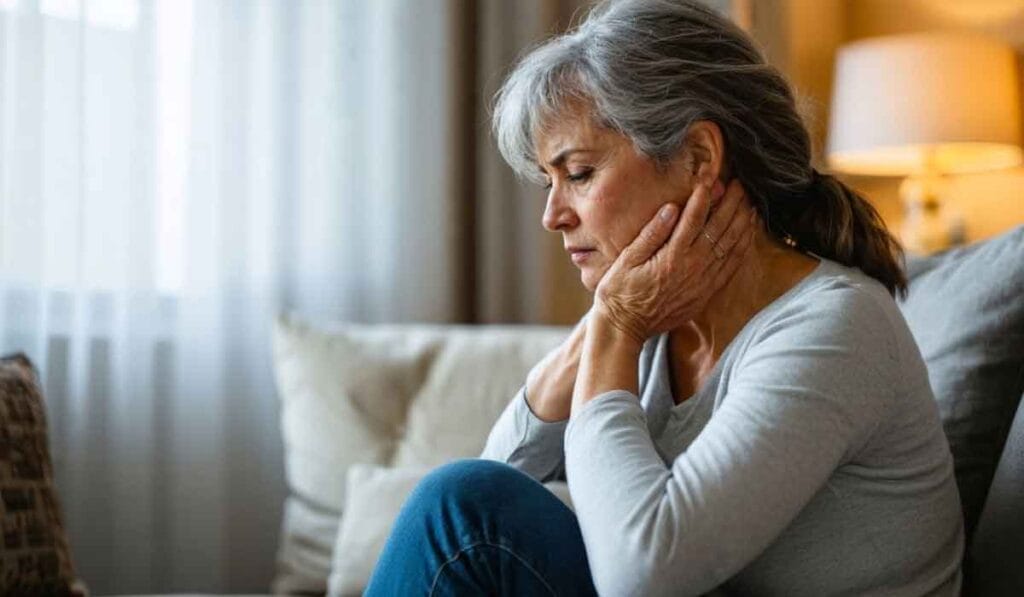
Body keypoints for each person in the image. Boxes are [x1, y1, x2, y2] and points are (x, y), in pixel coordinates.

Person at [364, 1, 964, 595]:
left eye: (578, 173)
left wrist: (617, 324)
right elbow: (499, 480)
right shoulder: (656, 317)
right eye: (548, 182)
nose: (552, 215)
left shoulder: (836, 328)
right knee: (462, 505)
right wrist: (611, 320)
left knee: (459, 507)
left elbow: (643, 576)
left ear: (698, 158)